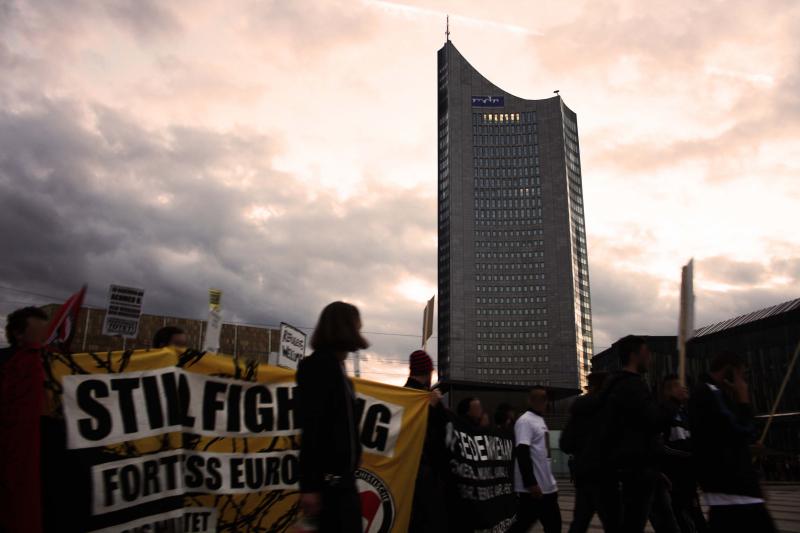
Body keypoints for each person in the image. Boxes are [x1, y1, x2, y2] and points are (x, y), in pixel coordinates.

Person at [296, 302, 369, 532]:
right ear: (345, 328)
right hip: (329, 487)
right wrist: (310, 486)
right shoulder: (317, 367)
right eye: (357, 326)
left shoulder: (339, 371)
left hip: (343, 483)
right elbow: (312, 428)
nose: (360, 330)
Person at [689, 351, 777, 533]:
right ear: (730, 371)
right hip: (735, 489)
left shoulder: (710, 393)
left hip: (726, 491)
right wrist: (743, 399)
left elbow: (721, 437)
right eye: (741, 374)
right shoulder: (710, 393)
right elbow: (742, 430)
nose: (742, 381)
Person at [582, 335, 661, 533]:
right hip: (635, 471)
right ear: (634, 356)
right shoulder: (633, 386)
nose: (650, 358)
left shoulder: (612, 387)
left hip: (620, 471)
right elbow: (652, 422)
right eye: (646, 353)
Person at [0, 306, 49, 533]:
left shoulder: (44, 363)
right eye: (36, 332)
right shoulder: (11, 364)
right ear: (18, 334)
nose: (41, 338)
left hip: (32, 449)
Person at [652, 375, 706, 533]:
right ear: (668, 390)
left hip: (687, 479)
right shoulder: (666, 411)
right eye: (678, 386)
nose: (684, 388)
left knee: (695, 519)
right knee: (685, 520)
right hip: (675, 478)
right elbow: (663, 446)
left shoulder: (683, 413)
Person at [404, 350, 448, 533]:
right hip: (424, 471)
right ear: (428, 371)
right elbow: (415, 429)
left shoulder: (403, 395)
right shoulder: (426, 399)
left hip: (408, 472)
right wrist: (432, 407)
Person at [560, 371, 609, 533]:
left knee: (579, 522)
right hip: (606, 475)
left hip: (584, 475)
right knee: (614, 522)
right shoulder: (609, 408)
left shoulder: (578, 410)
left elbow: (565, 443)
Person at [510, 387, 561, 533]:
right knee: (523, 525)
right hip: (534, 490)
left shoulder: (539, 420)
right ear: (530, 401)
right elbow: (522, 451)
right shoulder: (525, 421)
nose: (542, 402)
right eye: (538, 399)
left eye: (544, 399)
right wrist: (530, 482)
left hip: (547, 487)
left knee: (553, 526)